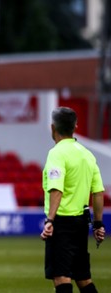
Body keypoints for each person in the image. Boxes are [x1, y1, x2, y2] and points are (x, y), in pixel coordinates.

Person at [40, 107, 106, 293]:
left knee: (61, 276)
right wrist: (98, 224)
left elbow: (56, 189)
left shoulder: (57, 153)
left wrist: (50, 220)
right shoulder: (87, 154)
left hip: (62, 222)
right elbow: (98, 192)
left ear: (52, 127)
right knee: (83, 277)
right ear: (75, 127)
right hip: (81, 223)